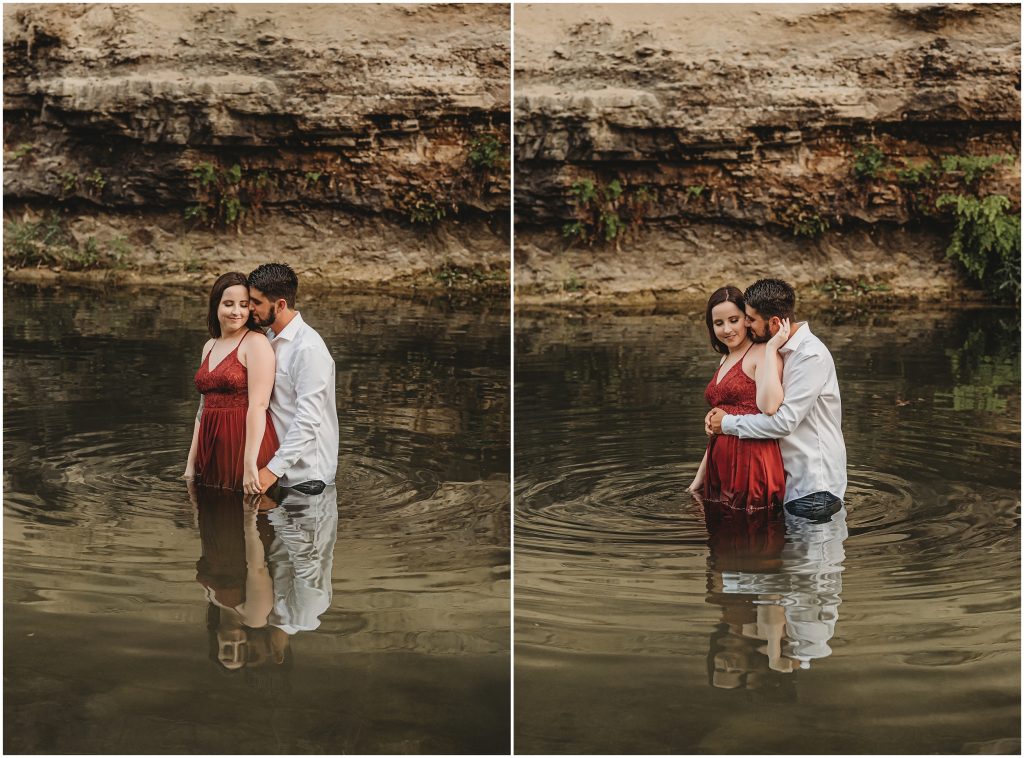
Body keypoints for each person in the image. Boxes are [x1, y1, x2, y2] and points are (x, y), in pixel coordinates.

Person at [706, 279, 847, 522]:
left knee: (813, 561)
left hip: (814, 488)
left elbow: (783, 422)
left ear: (773, 323)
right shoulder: (780, 349)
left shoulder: (809, 355)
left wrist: (727, 424)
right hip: (790, 486)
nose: (746, 326)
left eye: (750, 319)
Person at [688, 285, 788, 512]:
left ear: (748, 319)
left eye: (734, 320)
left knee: (753, 536)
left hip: (752, 461)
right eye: (719, 323)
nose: (727, 330)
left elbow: (771, 406)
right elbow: (718, 425)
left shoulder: (762, 353)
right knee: (721, 541)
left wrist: (772, 349)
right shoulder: (725, 358)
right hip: (719, 461)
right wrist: (698, 481)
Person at [246, 263, 339, 496]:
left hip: (306, 479)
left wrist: (272, 470)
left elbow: (308, 419)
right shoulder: (267, 338)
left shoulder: (308, 349)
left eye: (256, 302)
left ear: (280, 305)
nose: (249, 308)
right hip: (277, 471)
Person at [185, 272, 279, 493]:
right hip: (211, 443)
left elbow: (259, 405)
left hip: (243, 442)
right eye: (228, 304)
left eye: (243, 305)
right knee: (212, 518)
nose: (236, 311)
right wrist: (191, 463)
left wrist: (249, 463)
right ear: (216, 306)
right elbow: (202, 409)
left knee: (249, 514)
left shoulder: (256, 343)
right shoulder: (209, 346)